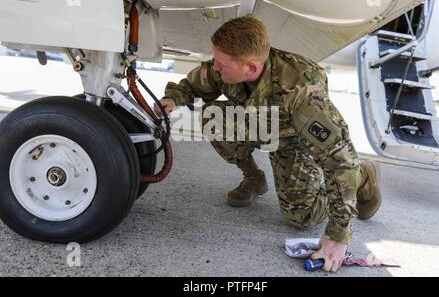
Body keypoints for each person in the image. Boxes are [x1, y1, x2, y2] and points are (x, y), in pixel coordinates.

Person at [155, 16, 382, 272]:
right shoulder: (231, 63)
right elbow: (193, 85)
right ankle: (253, 177)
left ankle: (364, 176)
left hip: (295, 141)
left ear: (250, 69)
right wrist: (172, 99)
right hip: (262, 123)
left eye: (221, 64)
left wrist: (339, 233)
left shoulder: (300, 91)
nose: (215, 68)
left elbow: (341, 160)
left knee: (300, 217)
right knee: (213, 116)